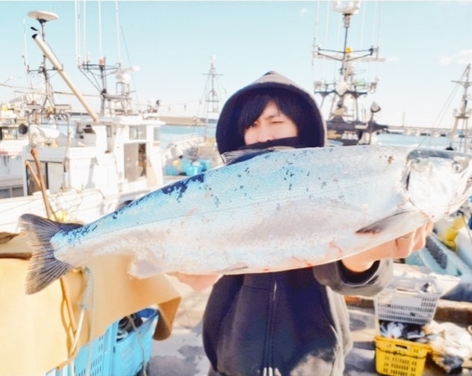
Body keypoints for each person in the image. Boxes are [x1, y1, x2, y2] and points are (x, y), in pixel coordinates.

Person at [172, 71, 432, 375]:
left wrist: (361, 257)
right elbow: (199, 254)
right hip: (231, 360)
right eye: (252, 125)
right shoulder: (220, 193)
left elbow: (361, 279)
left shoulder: (341, 185)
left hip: (313, 363)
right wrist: (190, 266)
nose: (264, 135)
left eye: (276, 121)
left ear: (302, 126)